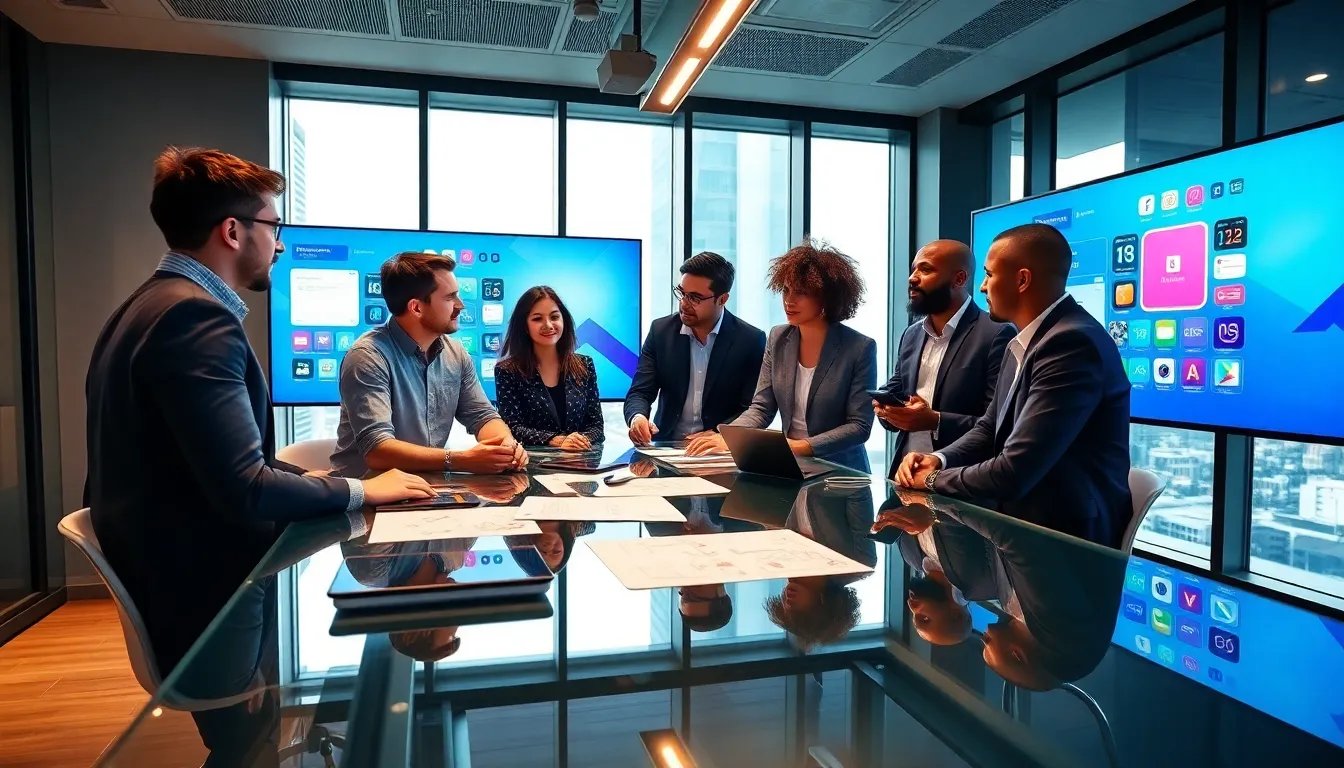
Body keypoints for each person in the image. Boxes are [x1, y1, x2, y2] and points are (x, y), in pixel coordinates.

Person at [84, 147, 433, 757]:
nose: (279, 244)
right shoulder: (197, 321)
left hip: (177, 574)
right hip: (207, 599)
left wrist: (305, 479)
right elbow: (243, 487)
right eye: (274, 227)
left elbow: (217, 464)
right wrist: (359, 489)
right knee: (250, 749)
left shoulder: (143, 307)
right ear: (232, 230)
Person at [895, 223, 1132, 548]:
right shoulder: (1022, 341)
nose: (982, 288)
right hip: (1020, 529)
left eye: (990, 275)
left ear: (1021, 280)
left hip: (1066, 544)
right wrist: (938, 459)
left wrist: (933, 479)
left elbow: (1015, 470)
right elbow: (989, 428)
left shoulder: (1071, 344)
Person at [330, 252, 529, 478]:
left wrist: (505, 446)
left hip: (425, 491)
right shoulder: (367, 356)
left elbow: (482, 416)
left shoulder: (456, 353)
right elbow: (378, 450)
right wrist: (462, 460)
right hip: (364, 496)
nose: (460, 305)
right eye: (450, 297)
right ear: (416, 308)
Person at [686, 239, 877, 472]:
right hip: (790, 466)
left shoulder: (859, 347)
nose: (789, 300)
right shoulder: (778, 337)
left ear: (826, 298)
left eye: (801, 293)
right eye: (786, 290)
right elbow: (762, 408)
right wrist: (730, 437)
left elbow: (859, 426)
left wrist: (799, 446)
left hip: (842, 473)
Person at [876, 240, 1013, 480]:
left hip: (960, 482)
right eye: (913, 269)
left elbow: (999, 424)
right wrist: (886, 409)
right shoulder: (912, 334)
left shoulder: (996, 333)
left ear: (959, 279)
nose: (912, 278)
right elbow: (897, 390)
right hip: (905, 476)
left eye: (925, 270)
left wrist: (935, 421)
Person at [624, 251, 767, 444]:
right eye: (681, 293)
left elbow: (752, 408)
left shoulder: (750, 340)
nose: (684, 303)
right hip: (666, 445)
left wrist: (720, 434)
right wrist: (638, 417)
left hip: (718, 449)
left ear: (722, 299)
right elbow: (640, 392)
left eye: (695, 298)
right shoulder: (661, 331)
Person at [494, 286, 605, 450]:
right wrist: (556, 440)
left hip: (580, 463)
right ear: (525, 326)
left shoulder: (585, 366)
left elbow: (597, 427)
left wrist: (577, 441)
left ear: (563, 320)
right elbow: (513, 428)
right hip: (533, 465)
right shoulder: (507, 371)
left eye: (554, 317)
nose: (548, 325)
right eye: (537, 319)